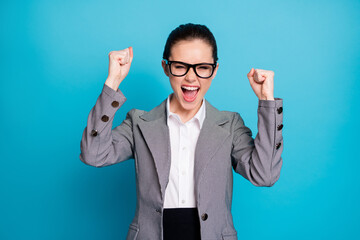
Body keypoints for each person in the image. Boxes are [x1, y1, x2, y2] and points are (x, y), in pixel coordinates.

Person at [79, 23, 284, 240]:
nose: (191, 78)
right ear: (166, 67)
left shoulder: (230, 125)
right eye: (180, 66)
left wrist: (267, 102)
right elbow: (93, 155)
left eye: (203, 67)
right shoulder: (139, 122)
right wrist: (112, 83)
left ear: (214, 70)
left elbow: (265, 175)